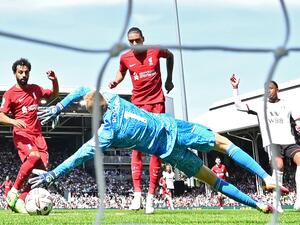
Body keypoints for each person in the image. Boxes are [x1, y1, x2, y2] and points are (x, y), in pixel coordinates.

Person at [29, 86, 290, 214]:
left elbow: (77, 157)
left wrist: (53, 175)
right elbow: (85, 89)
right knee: (225, 144)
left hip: (168, 153)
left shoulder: (106, 135)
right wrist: (59, 107)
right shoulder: (116, 99)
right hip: (176, 128)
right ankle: (266, 178)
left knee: (211, 179)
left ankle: (257, 205)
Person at [108, 27, 174, 213]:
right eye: (132, 42)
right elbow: (121, 72)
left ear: (143, 39)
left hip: (157, 104)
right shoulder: (125, 58)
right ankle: (137, 196)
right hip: (137, 106)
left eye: (138, 40)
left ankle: (151, 198)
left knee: (155, 150)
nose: (135, 44)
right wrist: (116, 81)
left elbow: (170, 56)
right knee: (136, 149)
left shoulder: (156, 50)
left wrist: (169, 79)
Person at [230, 74, 300, 212]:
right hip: (272, 142)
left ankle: (299, 198)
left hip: (288, 140)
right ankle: (276, 202)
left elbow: (297, 116)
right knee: (279, 166)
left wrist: (298, 124)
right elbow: (239, 106)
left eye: (271, 88)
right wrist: (235, 88)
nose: (268, 91)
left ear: (277, 89)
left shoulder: (287, 103)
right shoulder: (260, 105)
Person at [0, 58, 59, 213]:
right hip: (22, 134)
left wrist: (54, 80)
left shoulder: (36, 89)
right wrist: (13, 121)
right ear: (15, 74)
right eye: (20, 72)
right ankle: (13, 193)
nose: (24, 75)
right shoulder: (10, 94)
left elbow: (54, 95)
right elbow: (0, 115)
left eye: (26, 72)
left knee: (42, 173)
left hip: (38, 135)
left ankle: (20, 200)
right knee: (33, 156)